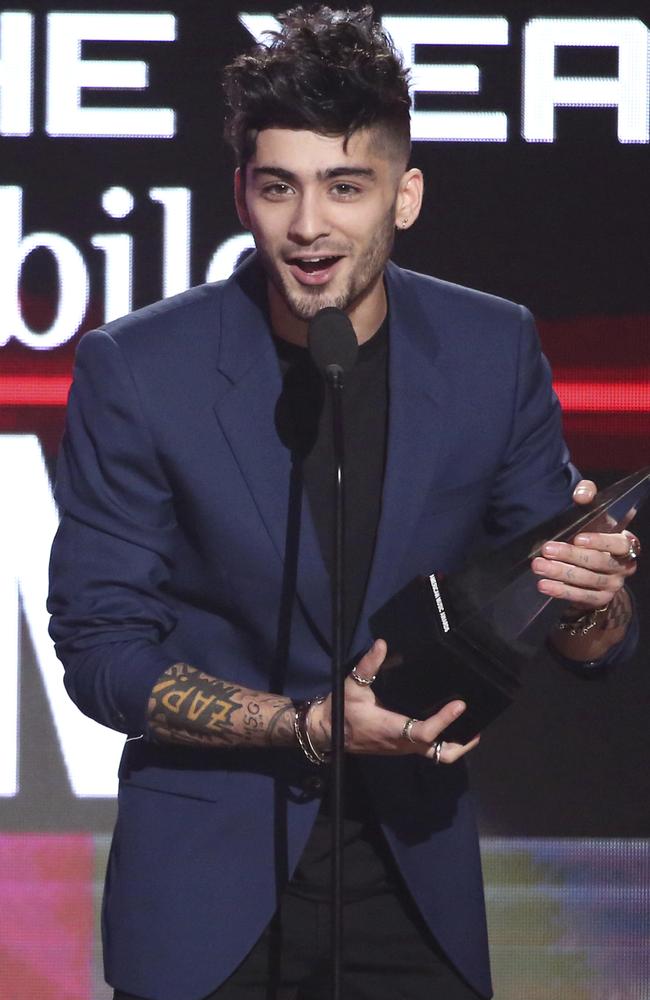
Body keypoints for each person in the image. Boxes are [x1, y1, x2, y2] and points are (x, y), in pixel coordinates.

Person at [48, 7, 638, 1000]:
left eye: (344, 187)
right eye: (279, 186)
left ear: (402, 198)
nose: (309, 226)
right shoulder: (140, 369)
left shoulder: (490, 350)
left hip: (413, 881)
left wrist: (590, 598)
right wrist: (307, 725)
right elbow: (103, 653)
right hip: (204, 900)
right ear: (242, 191)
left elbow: (579, 634)